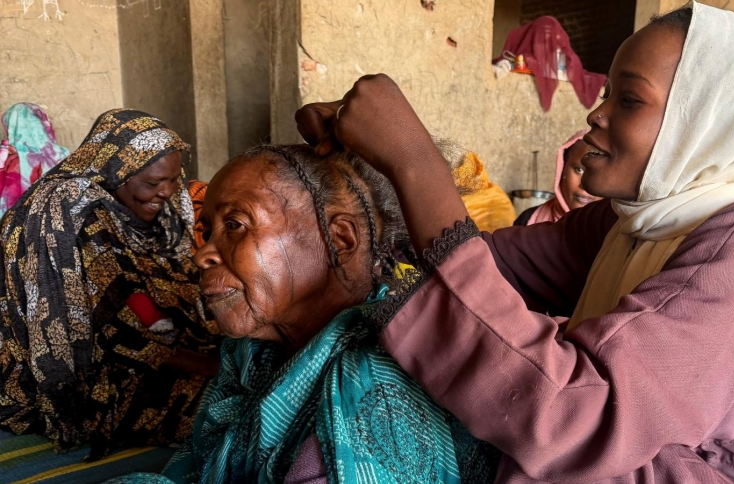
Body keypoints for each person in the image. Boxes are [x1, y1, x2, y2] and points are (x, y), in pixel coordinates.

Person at [295, 2, 734, 482]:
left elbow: (574, 419)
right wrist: (372, 166)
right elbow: (480, 265)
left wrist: (418, 164)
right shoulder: (625, 225)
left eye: (628, 100)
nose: (596, 113)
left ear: (705, 124)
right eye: (606, 91)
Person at [110, 145, 498, 484]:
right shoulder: (250, 356)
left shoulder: (371, 394)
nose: (203, 254)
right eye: (208, 231)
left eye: (235, 225)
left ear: (340, 240)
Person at [0, 109, 220, 460]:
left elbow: (157, 289)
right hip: (78, 362)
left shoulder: (145, 209)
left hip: (141, 336)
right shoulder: (66, 214)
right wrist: (208, 363)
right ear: (115, 172)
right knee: (218, 399)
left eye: (173, 179)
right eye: (151, 183)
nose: (166, 192)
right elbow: (118, 328)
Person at [514, 130, 600, 225]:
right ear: (562, 168)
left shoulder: (616, 232)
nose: (585, 185)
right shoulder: (527, 220)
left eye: (599, 174)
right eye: (579, 170)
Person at [0, 102, 70, 218]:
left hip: (11, 226)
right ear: (44, 123)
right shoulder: (64, 154)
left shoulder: (5, 155)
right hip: (56, 223)